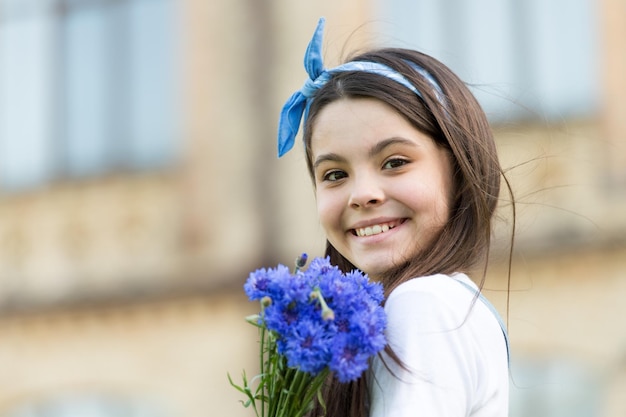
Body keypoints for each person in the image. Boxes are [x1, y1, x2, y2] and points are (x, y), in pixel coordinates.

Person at [277, 17, 512, 417]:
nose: (363, 194)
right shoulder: (443, 303)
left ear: (458, 168)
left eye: (395, 162)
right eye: (334, 174)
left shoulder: (423, 304)